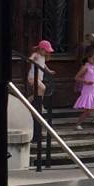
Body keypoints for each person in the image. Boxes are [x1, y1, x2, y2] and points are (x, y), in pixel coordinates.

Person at [25, 39, 55, 171]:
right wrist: (31, 59)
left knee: (40, 92)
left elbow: (44, 67)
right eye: (45, 50)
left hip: (39, 77)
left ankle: (29, 101)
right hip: (33, 77)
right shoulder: (37, 55)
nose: (46, 52)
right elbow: (31, 58)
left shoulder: (43, 57)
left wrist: (49, 70)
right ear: (41, 49)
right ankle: (36, 103)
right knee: (42, 89)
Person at [72, 45, 94, 135]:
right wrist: (86, 81)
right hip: (87, 90)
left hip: (93, 91)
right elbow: (76, 77)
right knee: (88, 111)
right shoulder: (85, 67)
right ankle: (78, 123)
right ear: (88, 58)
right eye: (93, 58)